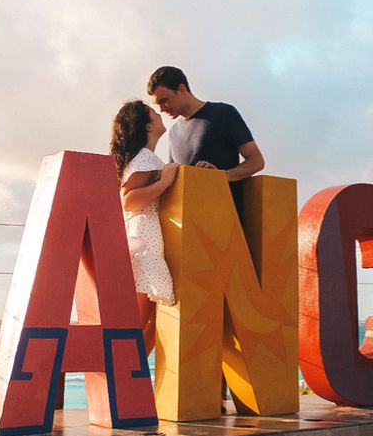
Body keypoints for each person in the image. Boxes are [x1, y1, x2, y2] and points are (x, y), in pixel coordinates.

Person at [146, 66, 264, 220]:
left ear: (181, 89)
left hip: (225, 222)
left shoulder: (223, 113)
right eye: (157, 105)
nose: (161, 109)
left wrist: (222, 176)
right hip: (189, 224)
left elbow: (256, 161)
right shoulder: (174, 132)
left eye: (164, 101)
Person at [110, 99, 178, 351]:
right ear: (148, 127)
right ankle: (127, 375)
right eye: (153, 113)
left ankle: (132, 375)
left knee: (151, 318)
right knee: (142, 319)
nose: (160, 114)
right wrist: (164, 183)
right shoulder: (145, 159)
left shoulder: (143, 158)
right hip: (144, 241)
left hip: (143, 238)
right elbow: (128, 200)